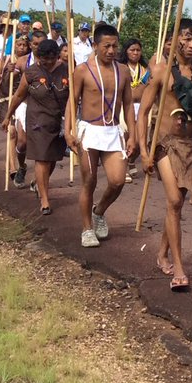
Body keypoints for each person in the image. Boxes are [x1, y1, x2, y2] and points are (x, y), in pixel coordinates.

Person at [136, 18, 192, 291]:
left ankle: (161, 253)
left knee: (177, 205)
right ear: (175, 40)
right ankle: (179, 268)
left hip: (191, 145)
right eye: (187, 38)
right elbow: (143, 113)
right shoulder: (161, 71)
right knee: (173, 201)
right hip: (165, 144)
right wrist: (145, 151)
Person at [66, 23, 138, 248]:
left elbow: (128, 105)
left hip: (113, 131)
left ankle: (99, 212)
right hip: (89, 131)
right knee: (89, 180)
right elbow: (72, 101)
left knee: (117, 181)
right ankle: (87, 229)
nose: (111, 50)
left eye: (115, 46)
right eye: (106, 46)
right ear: (95, 45)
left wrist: (133, 136)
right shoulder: (83, 70)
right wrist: (69, 130)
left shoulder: (123, 71)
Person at [4, 39, 69, 215]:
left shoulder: (67, 69)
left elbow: (76, 95)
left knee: (52, 158)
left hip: (60, 121)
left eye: (52, 58)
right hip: (37, 121)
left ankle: (39, 183)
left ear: (57, 56)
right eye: (44, 59)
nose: (48, 62)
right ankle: (44, 199)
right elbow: (18, 95)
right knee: (41, 158)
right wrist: (8, 115)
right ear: (38, 57)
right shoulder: (31, 72)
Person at [0, 36, 33, 187]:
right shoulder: (8, 61)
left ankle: (23, 166)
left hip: (27, 102)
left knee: (25, 140)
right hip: (8, 100)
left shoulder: (30, 61)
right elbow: (3, 85)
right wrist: (8, 72)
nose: (21, 48)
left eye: (24, 45)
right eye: (18, 45)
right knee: (12, 132)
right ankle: (13, 169)